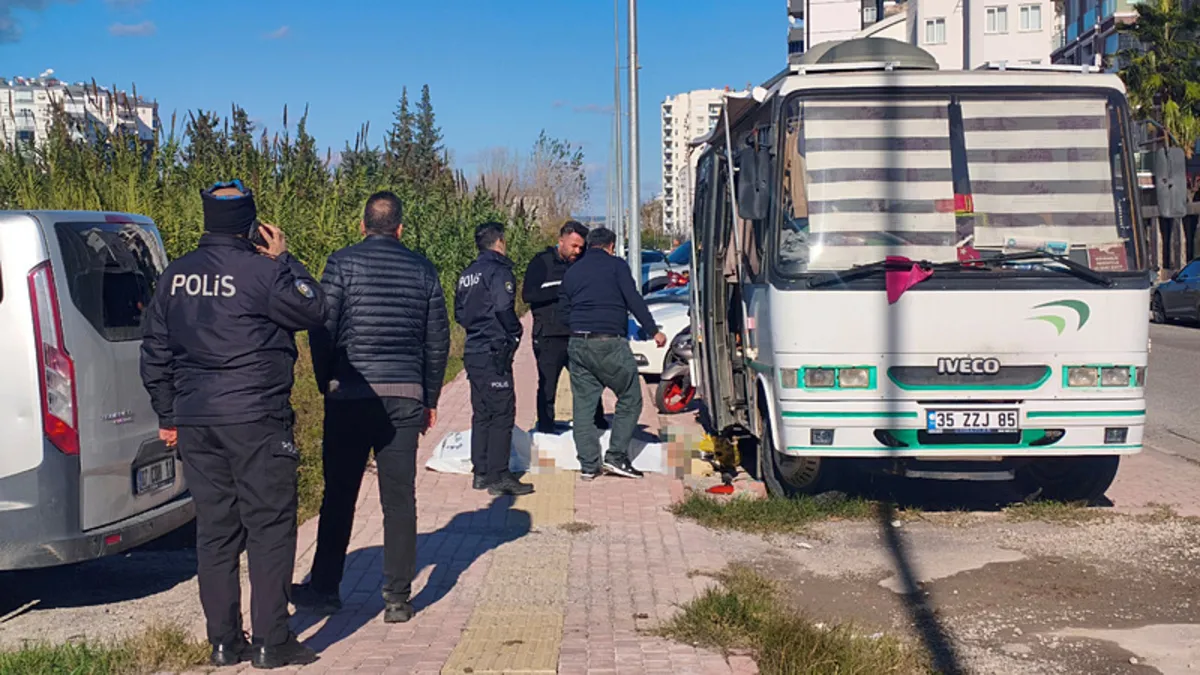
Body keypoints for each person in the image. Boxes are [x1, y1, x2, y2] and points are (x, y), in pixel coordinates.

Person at [140, 180, 324, 669]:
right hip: (255, 419)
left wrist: (167, 414)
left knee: (216, 533)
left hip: (197, 421)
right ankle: (271, 641)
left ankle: (223, 642)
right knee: (268, 527)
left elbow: (155, 352)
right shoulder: (263, 273)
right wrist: (284, 258)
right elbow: (314, 307)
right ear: (252, 224)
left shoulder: (175, 277)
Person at [291, 191, 450, 624]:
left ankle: (325, 588)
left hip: (350, 396)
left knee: (339, 494)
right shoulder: (423, 269)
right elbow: (437, 341)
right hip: (403, 398)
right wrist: (430, 398)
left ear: (362, 226)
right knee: (400, 499)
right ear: (400, 228)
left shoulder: (341, 263)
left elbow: (321, 328)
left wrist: (326, 380)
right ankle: (397, 597)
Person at [558, 227, 665, 480]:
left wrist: (576, 329)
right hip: (609, 343)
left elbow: (562, 310)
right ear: (611, 246)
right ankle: (616, 457)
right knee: (630, 397)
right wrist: (653, 331)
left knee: (583, 407)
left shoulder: (573, 271)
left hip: (578, 343)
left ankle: (587, 465)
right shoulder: (616, 266)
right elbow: (633, 299)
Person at [455, 221, 535, 496]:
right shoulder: (498, 271)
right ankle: (499, 475)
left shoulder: (467, 274)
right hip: (494, 349)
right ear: (499, 242)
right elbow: (503, 306)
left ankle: (481, 471)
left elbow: (459, 314)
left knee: (482, 412)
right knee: (502, 413)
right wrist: (515, 330)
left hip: (474, 349)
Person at [521, 220, 608, 434]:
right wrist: (561, 289)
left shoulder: (583, 262)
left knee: (589, 380)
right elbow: (528, 295)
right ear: (561, 241)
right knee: (548, 385)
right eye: (573, 246)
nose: (577, 251)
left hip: (578, 334)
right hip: (549, 336)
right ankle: (546, 428)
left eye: (580, 247)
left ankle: (598, 423)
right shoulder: (542, 262)